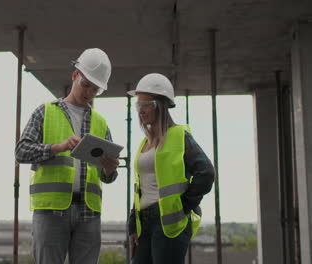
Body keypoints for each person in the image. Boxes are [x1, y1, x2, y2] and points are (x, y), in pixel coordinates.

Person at [15, 48, 120, 264]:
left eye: (95, 89)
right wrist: (56, 147)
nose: (89, 92)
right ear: (74, 76)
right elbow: (21, 152)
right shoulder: (44, 112)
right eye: (86, 84)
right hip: (51, 212)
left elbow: (106, 177)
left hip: (88, 213)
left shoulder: (101, 123)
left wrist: (110, 170)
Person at [127, 73, 215, 264]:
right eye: (138, 105)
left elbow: (206, 173)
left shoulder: (178, 136)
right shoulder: (145, 143)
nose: (140, 110)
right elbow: (141, 187)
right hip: (144, 223)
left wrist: (183, 205)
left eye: (145, 104)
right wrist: (133, 225)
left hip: (168, 223)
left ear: (160, 105)